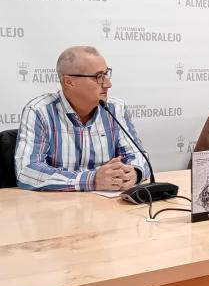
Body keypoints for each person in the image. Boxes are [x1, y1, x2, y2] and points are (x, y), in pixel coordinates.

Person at [15, 46, 151, 191]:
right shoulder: (39, 111)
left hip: (107, 206)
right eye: (98, 76)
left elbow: (138, 156)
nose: (108, 83)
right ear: (69, 82)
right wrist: (91, 180)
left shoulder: (115, 108)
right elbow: (27, 172)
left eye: (106, 74)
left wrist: (134, 173)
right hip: (57, 208)